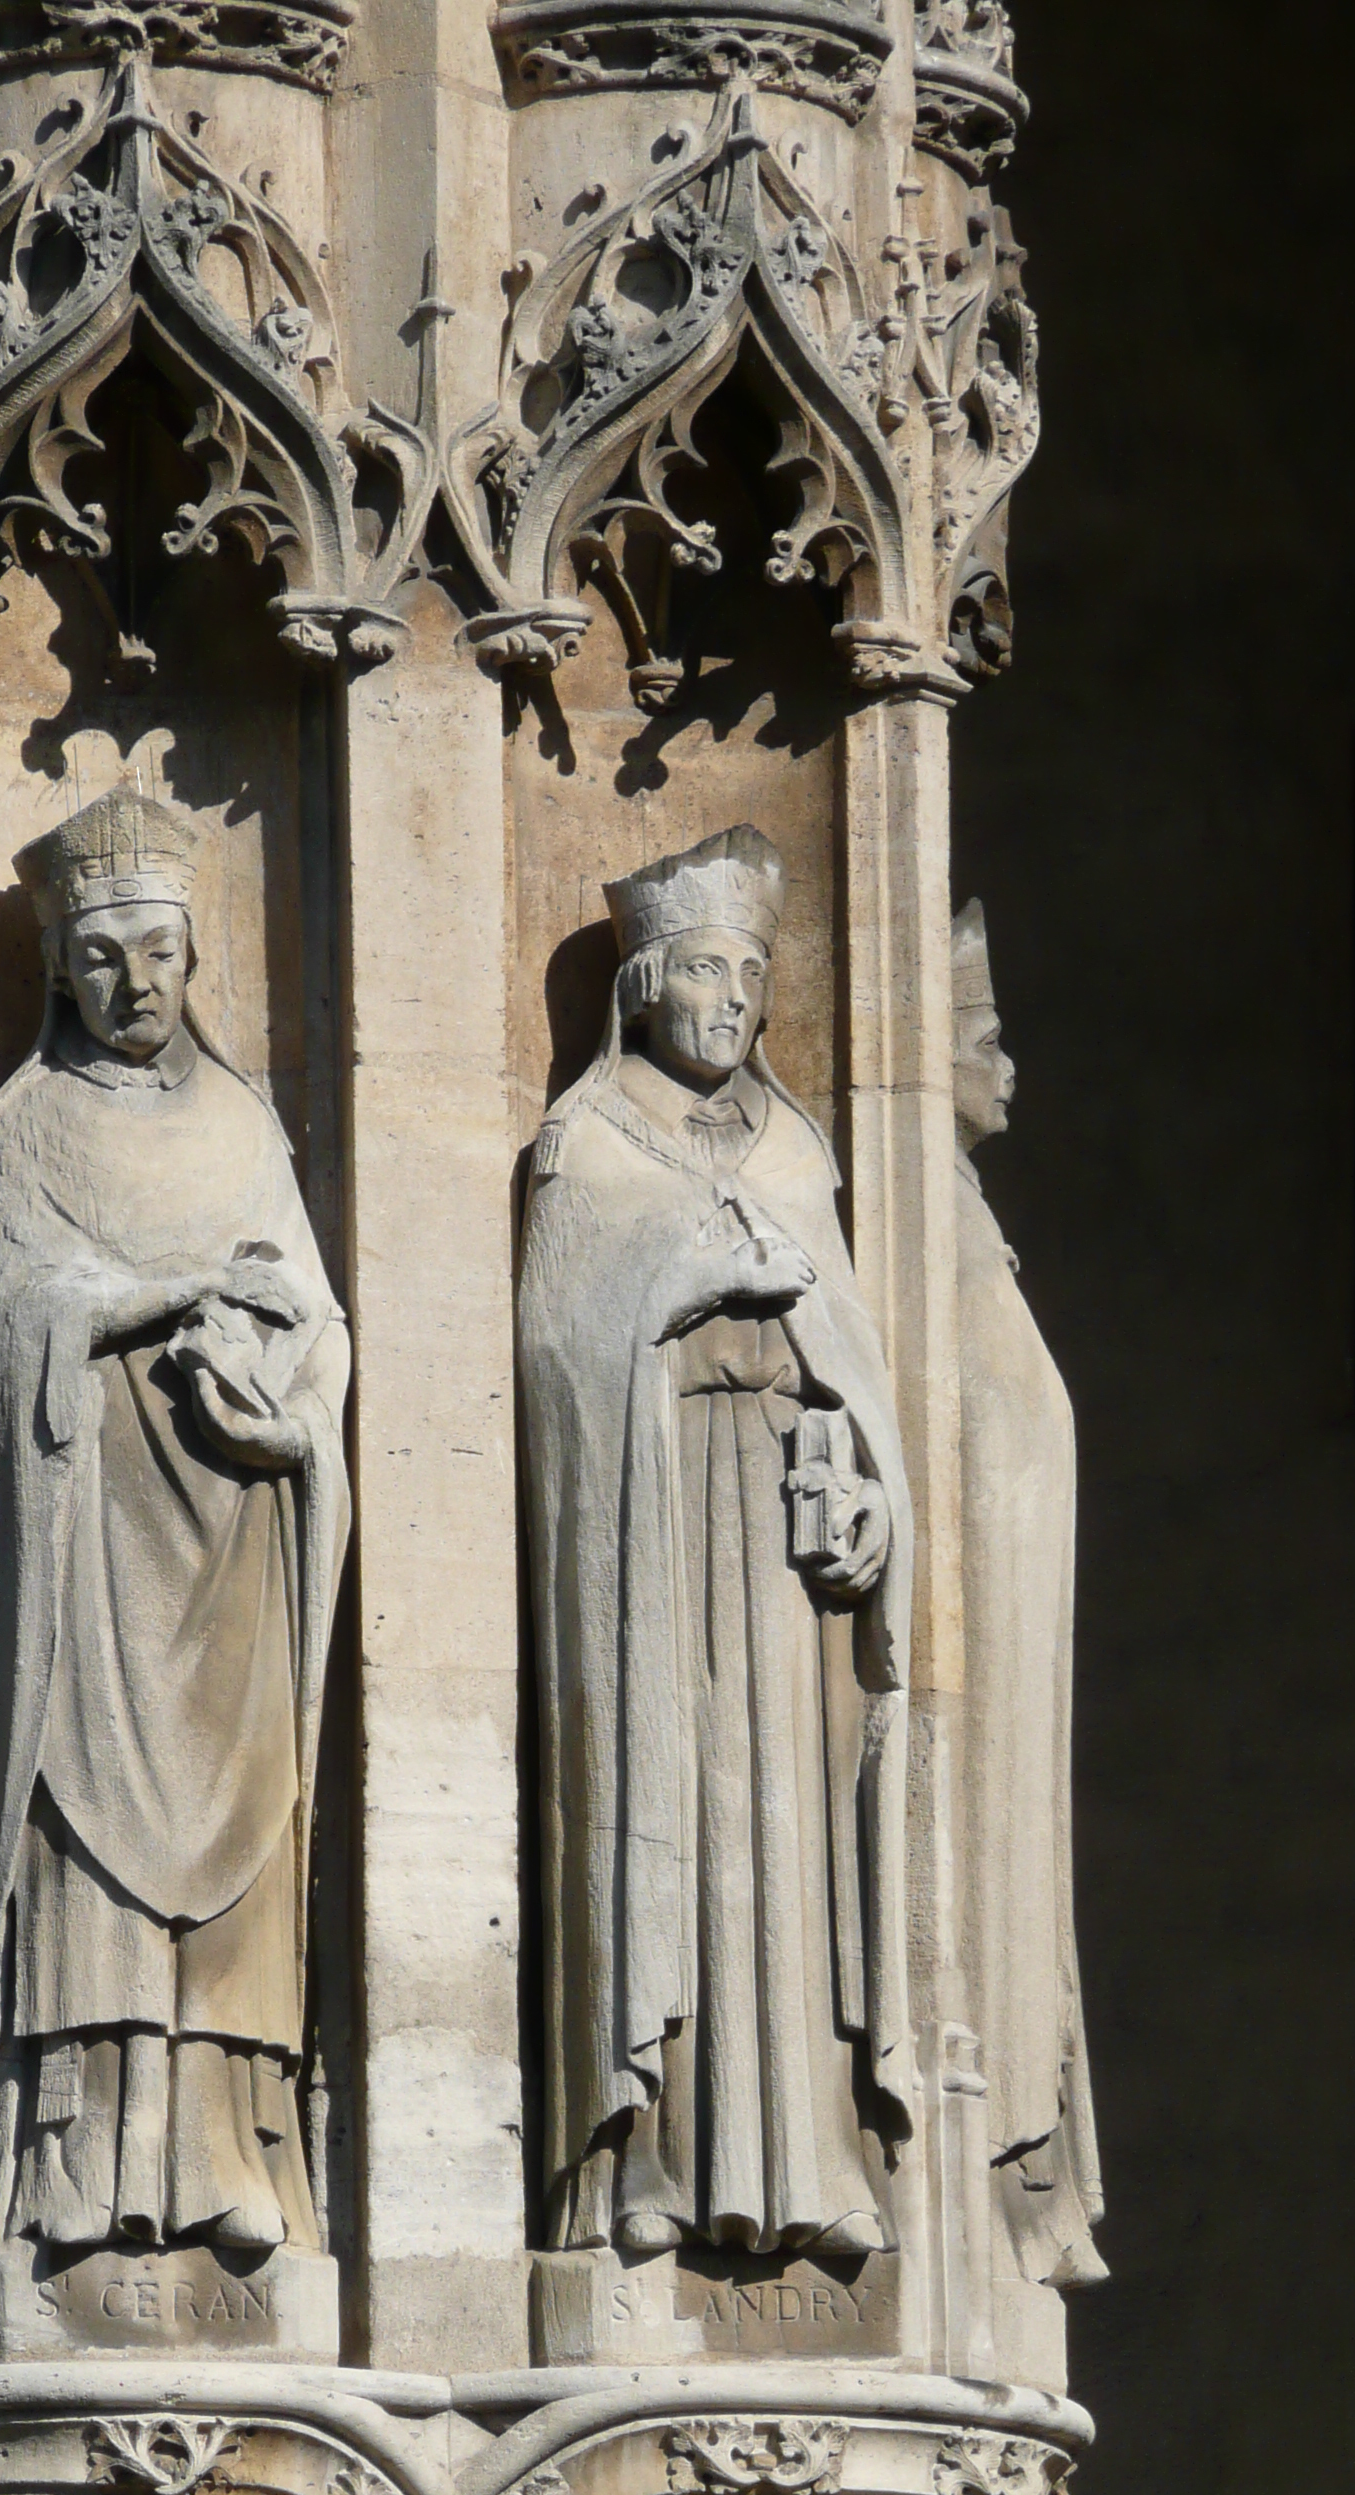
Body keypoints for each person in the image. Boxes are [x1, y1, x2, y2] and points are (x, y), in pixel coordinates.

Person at [0, 787, 350, 2260]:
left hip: (230, 1536)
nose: (137, 984)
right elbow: (6, 1334)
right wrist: (152, 1299)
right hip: (89, 1549)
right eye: (105, 957)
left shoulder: (246, 1127)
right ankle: (77, 2156)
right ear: (63, 968)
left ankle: (233, 2144)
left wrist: (290, 1408)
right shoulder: (23, 1134)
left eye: (161, 955)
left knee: (249, 1837)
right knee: (86, 1842)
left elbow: (316, 1322)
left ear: (195, 963)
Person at [520, 826, 913, 2262]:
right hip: (660, 1540)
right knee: (679, 1833)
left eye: (751, 971)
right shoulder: (588, 1143)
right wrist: (680, 1288)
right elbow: (557, 1360)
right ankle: (664, 2162)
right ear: (641, 985)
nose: (732, 997)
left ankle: (814, 2153)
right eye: (702, 968)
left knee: (791, 1862)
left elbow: (850, 1358)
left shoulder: (798, 1149)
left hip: (787, 1569)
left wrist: (864, 1483)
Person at [952, 900, 1104, 2287]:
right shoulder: (915, 1205)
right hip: (968, 1645)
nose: (1013, 1071)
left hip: (1008, 1634)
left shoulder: (961, 1209)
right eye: (986, 1039)